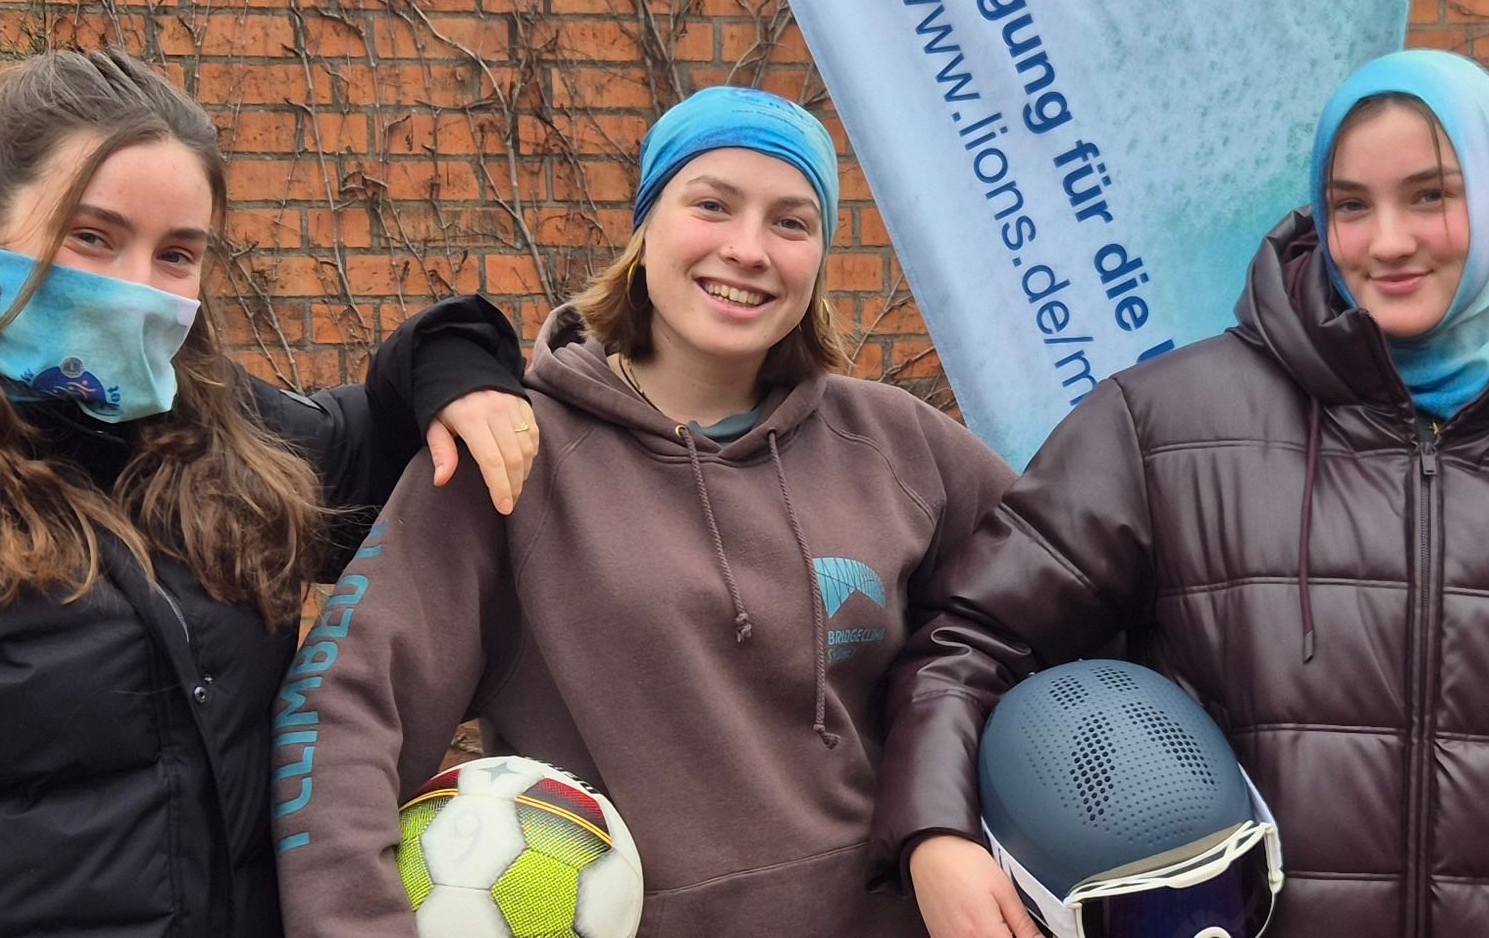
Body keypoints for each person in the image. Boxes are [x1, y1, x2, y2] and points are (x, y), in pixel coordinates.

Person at [875, 49, 1489, 938]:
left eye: (1430, 196)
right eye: (1351, 205)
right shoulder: (1166, 428)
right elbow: (968, 641)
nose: (1389, 242)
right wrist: (936, 833)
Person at [0, 49, 541, 938]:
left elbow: (382, 446)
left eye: (177, 254)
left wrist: (458, 365)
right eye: (91, 236)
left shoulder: (214, 431)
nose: (134, 287)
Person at [271, 86, 1016, 938]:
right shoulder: (514, 454)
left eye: (791, 222)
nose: (748, 250)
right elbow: (342, 714)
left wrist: (946, 828)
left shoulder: (898, 444)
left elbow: (1059, 607)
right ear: (646, 225)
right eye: (712, 205)